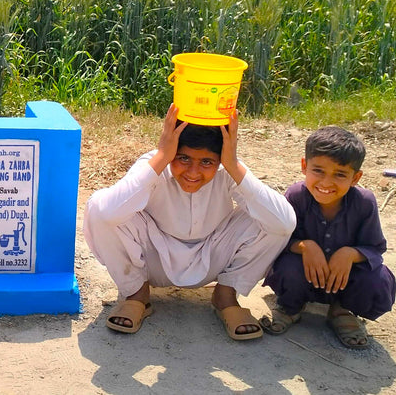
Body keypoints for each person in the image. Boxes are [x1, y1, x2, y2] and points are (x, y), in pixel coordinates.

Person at [83, 104, 295, 340]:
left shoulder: (228, 169)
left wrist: (232, 164)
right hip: (155, 259)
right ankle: (136, 294)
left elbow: (284, 223)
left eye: (206, 162)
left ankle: (226, 295)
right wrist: (163, 156)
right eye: (183, 158)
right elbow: (105, 212)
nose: (193, 172)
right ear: (170, 149)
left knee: (275, 220)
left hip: (214, 255)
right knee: (99, 207)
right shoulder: (155, 163)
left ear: (221, 158)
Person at [260, 126, 395, 348]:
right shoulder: (295, 196)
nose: (326, 182)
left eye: (340, 174)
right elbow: (278, 240)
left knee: (377, 280)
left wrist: (351, 254)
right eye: (318, 171)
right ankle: (291, 307)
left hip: (344, 281)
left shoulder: (364, 202)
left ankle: (342, 310)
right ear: (304, 166)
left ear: (355, 177)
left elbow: (375, 248)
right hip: (304, 277)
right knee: (286, 267)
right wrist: (305, 247)